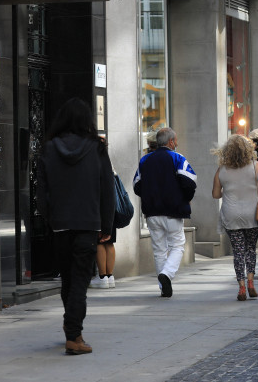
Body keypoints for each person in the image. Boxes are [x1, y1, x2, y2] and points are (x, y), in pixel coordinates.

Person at [36, 98, 116, 355]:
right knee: (80, 281)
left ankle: (71, 325)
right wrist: (107, 224)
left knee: (68, 280)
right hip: (87, 223)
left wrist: (51, 218)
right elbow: (107, 189)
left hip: (60, 224)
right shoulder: (97, 148)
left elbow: (41, 191)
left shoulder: (48, 148)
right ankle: (74, 335)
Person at [133, 127, 197, 298]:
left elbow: (136, 185)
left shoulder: (145, 160)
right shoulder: (177, 158)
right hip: (173, 211)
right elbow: (190, 181)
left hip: (152, 212)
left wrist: (149, 197)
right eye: (175, 140)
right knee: (177, 245)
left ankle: (163, 287)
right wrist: (185, 197)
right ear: (170, 142)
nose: (177, 143)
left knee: (159, 250)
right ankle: (167, 274)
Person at [212, 134, 258, 301]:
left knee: (238, 252)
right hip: (252, 214)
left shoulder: (221, 170)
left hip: (231, 215)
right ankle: (251, 282)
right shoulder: (256, 166)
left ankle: (241, 287)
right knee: (251, 249)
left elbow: (216, 195)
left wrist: (229, 190)